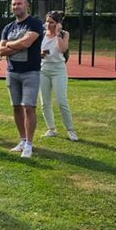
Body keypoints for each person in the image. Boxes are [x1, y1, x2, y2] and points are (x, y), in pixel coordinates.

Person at [0, 0, 44, 158]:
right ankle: (22, 140)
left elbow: (26, 43)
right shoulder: (8, 28)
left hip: (30, 71)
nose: (16, 7)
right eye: (14, 4)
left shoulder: (35, 23)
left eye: (19, 4)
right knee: (16, 107)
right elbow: (1, 50)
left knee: (29, 107)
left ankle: (29, 145)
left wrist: (10, 45)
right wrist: (17, 45)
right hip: (12, 72)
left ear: (27, 6)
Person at [39, 11, 79, 141]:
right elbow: (35, 52)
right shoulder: (41, 34)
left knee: (62, 101)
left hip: (58, 69)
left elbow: (63, 49)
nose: (48, 24)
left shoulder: (64, 34)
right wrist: (41, 53)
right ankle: (51, 129)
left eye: (51, 22)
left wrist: (57, 34)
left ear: (58, 23)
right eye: (47, 21)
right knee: (45, 102)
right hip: (43, 69)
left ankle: (70, 130)